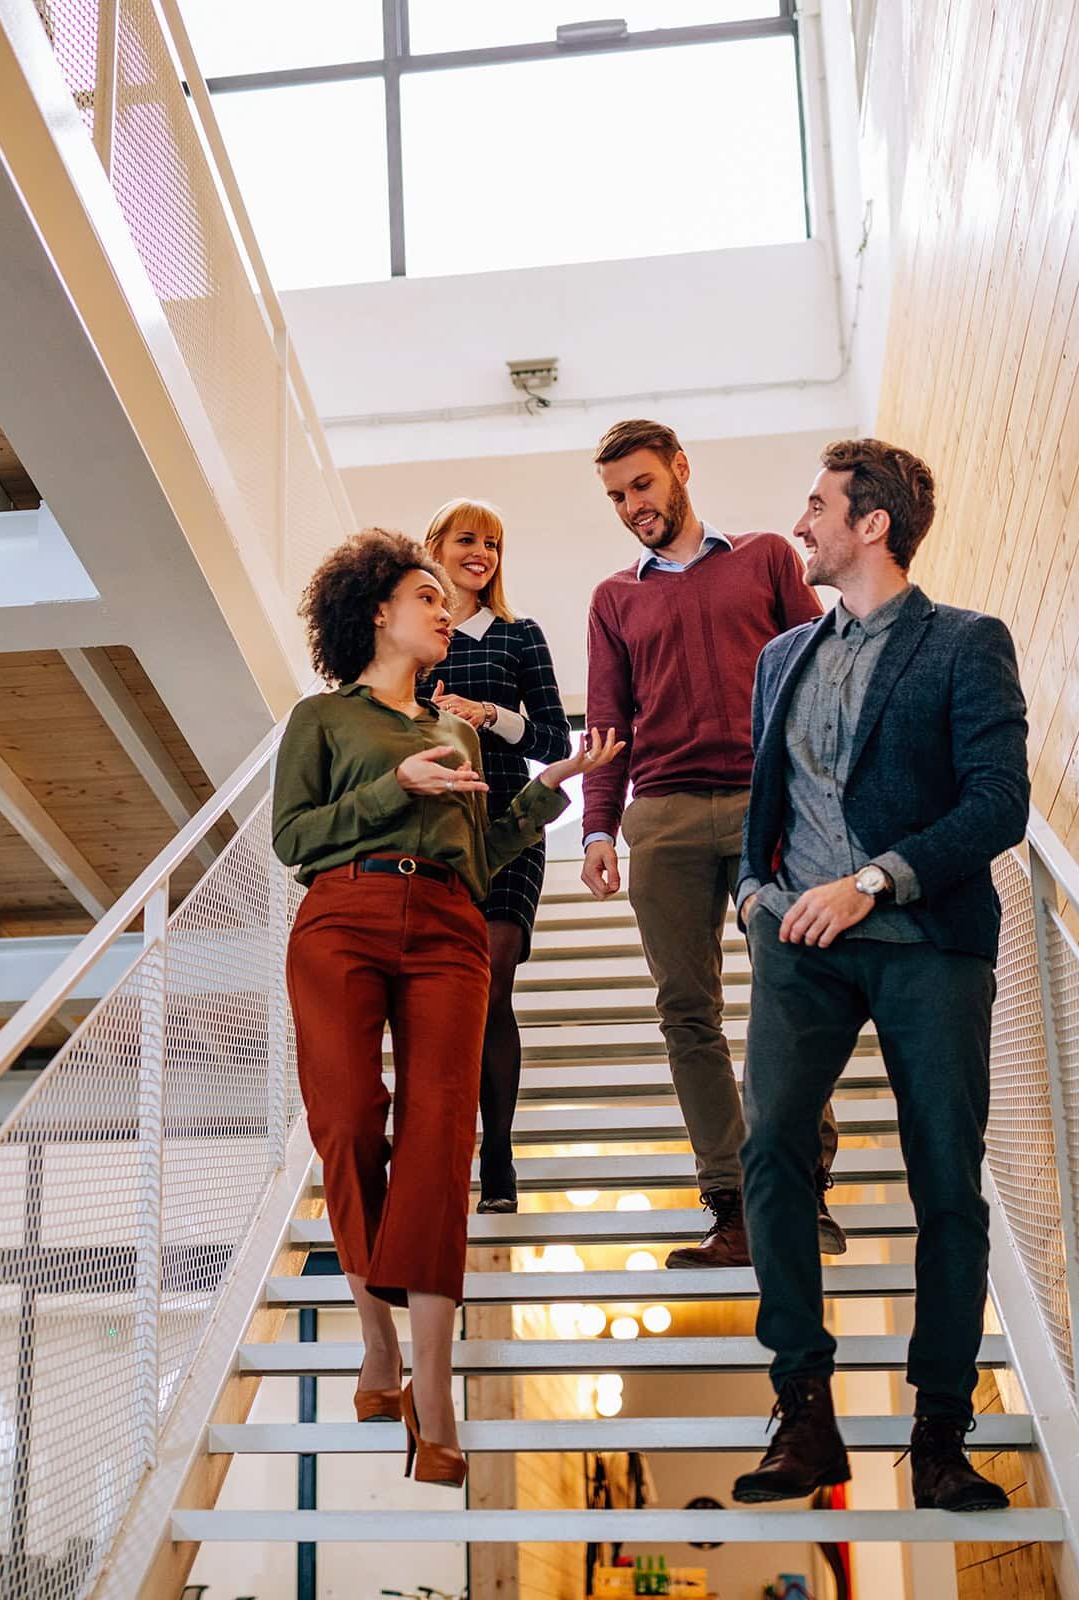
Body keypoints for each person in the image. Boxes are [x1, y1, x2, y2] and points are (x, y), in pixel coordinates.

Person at [272, 528, 620, 1489]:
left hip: (450, 925)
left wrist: (547, 791)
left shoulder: (457, 731)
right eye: (425, 596)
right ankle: (377, 1340)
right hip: (342, 915)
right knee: (349, 1119)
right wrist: (396, 784)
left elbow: (481, 849)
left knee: (439, 1138)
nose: (443, 611)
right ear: (378, 611)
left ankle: (433, 1389)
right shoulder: (322, 719)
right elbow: (292, 837)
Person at [730, 440, 1029, 1513]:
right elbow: (761, 795)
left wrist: (873, 881)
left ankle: (940, 1432)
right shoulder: (781, 657)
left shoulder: (965, 642)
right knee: (769, 1146)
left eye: (816, 506)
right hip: (798, 945)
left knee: (945, 1176)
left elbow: (997, 803)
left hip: (926, 940)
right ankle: (804, 1411)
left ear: (872, 525)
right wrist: (752, 894)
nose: (798, 524)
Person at [582, 419, 843, 1267]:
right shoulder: (614, 599)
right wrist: (597, 826)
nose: (632, 505)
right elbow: (607, 723)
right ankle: (733, 1207)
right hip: (662, 816)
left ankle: (799, 1191)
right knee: (686, 1012)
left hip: (770, 804)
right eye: (617, 496)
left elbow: (823, 674)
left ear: (680, 471)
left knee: (792, 992)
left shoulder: (764, 557)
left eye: (642, 485)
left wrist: (828, 794)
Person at [422, 498, 573, 1214]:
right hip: (433, 831)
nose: (481, 553)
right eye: (467, 539)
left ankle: (499, 1156)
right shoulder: (417, 633)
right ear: (435, 547)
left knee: (493, 985)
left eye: (492, 543)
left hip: (512, 823)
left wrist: (490, 716)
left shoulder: (518, 634)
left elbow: (554, 738)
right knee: (445, 999)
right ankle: (449, 1146)